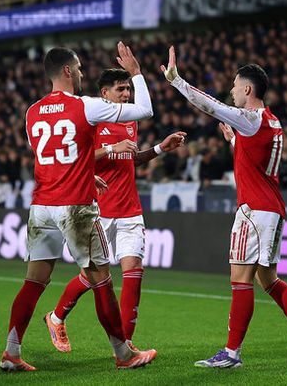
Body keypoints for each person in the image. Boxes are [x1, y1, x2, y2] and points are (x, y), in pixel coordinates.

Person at [161, 46, 287, 368]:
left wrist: (176, 80)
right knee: (268, 280)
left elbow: (210, 105)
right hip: (272, 209)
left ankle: (232, 353)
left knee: (240, 279)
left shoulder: (250, 119)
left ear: (248, 90)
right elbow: (257, 159)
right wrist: (234, 142)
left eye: (235, 86)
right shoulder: (271, 121)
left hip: (254, 211)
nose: (232, 91)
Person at [0, 43, 157, 371]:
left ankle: (11, 353)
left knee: (34, 282)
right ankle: (124, 355)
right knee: (102, 280)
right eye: (80, 68)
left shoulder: (32, 112)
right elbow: (144, 110)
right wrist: (136, 73)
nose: (83, 73)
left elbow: (55, 155)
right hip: (76, 208)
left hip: (42, 206)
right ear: (67, 70)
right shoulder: (86, 106)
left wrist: (86, 172)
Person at [44, 68, 186, 353]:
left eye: (128, 89)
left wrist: (160, 149)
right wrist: (110, 149)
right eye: (120, 89)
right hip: (98, 211)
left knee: (133, 271)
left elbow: (129, 159)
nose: (126, 94)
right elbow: (77, 158)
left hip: (130, 210)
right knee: (91, 277)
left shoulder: (130, 122)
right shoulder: (91, 121)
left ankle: (126, 344)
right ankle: (56, 318)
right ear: (104, 93)